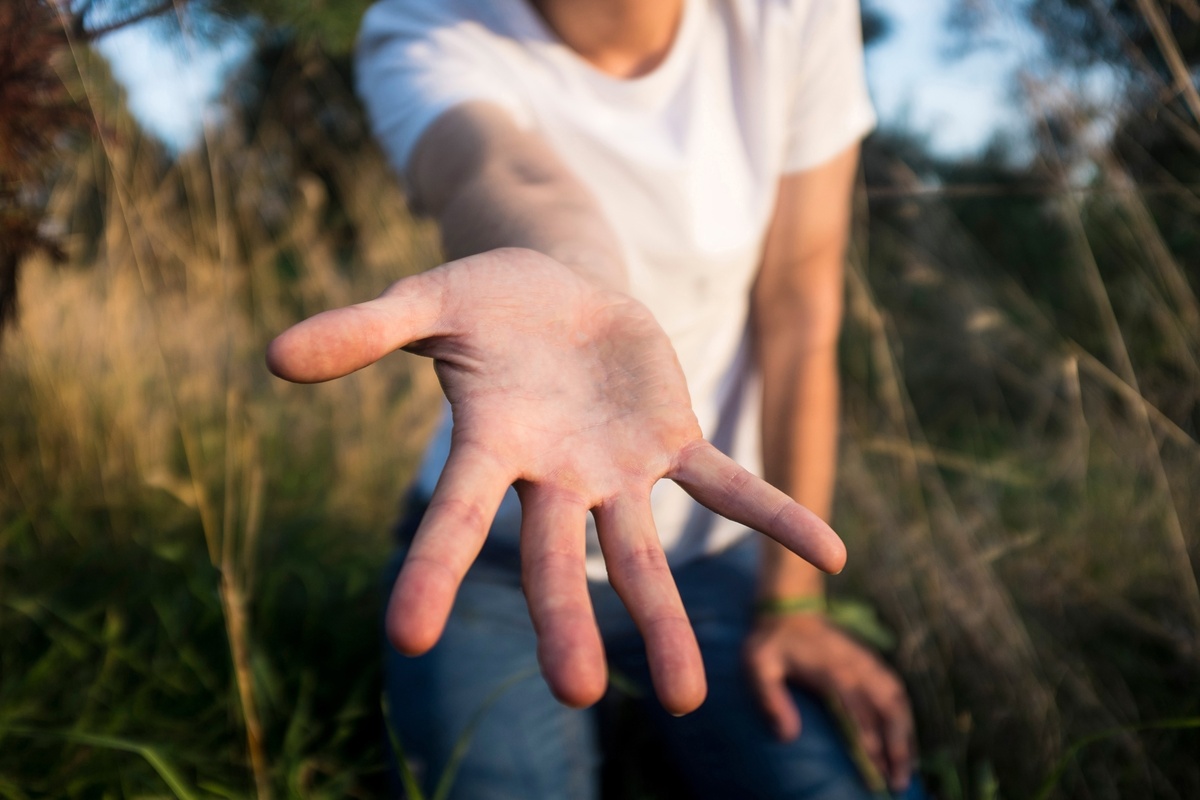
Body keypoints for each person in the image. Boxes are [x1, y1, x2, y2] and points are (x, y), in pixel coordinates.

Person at [267, 0, 922, 797]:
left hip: (720, 563)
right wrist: (569, 274)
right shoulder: (427, 23)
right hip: (496, 560)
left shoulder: (793, 15)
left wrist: (793, 603)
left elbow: (800, 310)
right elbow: (500, 168)